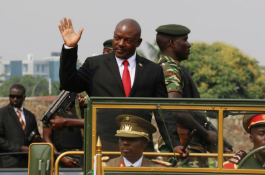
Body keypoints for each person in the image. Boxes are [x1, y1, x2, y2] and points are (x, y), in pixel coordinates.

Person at [57, 18, 188, 157]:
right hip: (102, 148)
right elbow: (68, 84)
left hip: (141, 147)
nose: (120, 44)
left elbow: (163, 112)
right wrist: (69, 48)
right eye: (117, 38)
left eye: (128, 40)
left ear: (138, 42)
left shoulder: (153, 70)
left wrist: (174, 144)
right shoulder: (94, 65)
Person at [155, 24, 217, 166]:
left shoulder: (173, 67)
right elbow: (176, 109)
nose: (189, 45)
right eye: (185, 40)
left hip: (188, 143)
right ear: (172, 43)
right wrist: (206, 134)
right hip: (184, 146)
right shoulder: (170, 68)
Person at [0, 84, 40, 168]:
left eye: (18, 97)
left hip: (27, 163)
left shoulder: (30, 116)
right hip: (8, 163)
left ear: (24, 97)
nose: (15, 99)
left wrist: (37, 139)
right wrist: (20, 149)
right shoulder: (0, 114)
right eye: (12, 96)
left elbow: (36, 135)